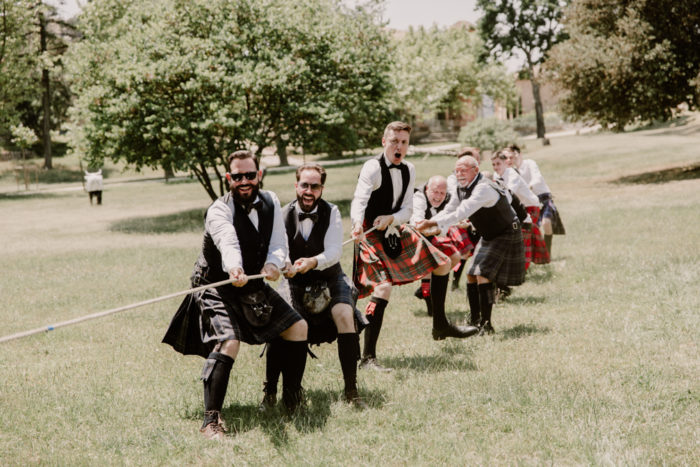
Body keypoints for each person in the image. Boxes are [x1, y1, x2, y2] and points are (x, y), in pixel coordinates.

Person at [162, 150, 308, 440]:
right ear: (228, 178)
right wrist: (235, 267)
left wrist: (273, 263)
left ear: (259, 175)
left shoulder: (271, 201)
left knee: (298, 327)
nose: (244, 181)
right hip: (215, 283)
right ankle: (211, 421)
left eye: (249, 175)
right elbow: (227, 240)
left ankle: (291, 401)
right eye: (237, 176)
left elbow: (279, 242)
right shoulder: (219, 210)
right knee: (229, 341)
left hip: (252, 282)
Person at [351, 121, 476, 372]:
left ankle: (440, 325)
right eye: (394, 141)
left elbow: (408, 208)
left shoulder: (409, 169)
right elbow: (359, 199)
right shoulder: (372, 167)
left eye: (404, 142)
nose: (399, 146)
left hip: (395, 228)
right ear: (384, 141)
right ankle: (367, 358)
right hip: (369, 233)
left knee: (442, 264)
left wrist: (392, 219)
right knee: (383, 288)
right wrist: (356, 224)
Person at [261, 163, 367, 409]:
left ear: (322, 188)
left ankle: (351, 390)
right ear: (296, 185)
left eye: (315, 186)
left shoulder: (332, 211)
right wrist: (285, 263)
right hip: (294, 280)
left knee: (344, 313)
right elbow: (278, 247)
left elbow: (334, 251)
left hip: (329, 276)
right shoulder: (282, 214)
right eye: (304, 185)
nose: (309, 191)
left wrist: (312, 262)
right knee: (280, 323)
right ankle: (270, 393)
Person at [417, 155, 525, 335]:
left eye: (463, 170)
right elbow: (449, 210)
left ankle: (486, 324)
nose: (459, 174)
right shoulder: (461, 188)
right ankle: (475, 321)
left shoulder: (483, 188)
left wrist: (433, 225)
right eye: (457, 170)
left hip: (506, 232)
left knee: (483, 274)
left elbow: (461, 212)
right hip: (489, 234)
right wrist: (429, 223)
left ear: (476, 170)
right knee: (471, 275)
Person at [410, 175, 475, 315]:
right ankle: (431, 309)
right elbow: (417, 222)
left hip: (434, 236)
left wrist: (461, 222)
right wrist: (437, 229)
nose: (438, 197)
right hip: (414, 237)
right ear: (427, 189)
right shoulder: (419, 197)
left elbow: (455, 215)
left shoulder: (449, 199)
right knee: (429, 265)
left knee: (455, 256)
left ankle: (427, 287)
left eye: (442, 193)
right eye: (435, 192)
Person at [491, 150, 549, 270]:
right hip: (517, 208)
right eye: (494, 164)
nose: (496, 167)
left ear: (506, 163)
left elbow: (508, 194)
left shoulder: (511, 174)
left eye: (498, 164)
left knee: (523, 237)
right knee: (518, 238)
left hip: (530, 206)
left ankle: (522, 271)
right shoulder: (496, 176)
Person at [509, 145, 565, 256]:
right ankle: (538, 254)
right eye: (510, 156)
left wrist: (528, 187)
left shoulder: (529, 163)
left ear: (520, 153)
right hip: (530, 203)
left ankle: (548, 251)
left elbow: (537, 178)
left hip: (543, 197)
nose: (513, 158)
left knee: (546, 223)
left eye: (514, 154)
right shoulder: (513, 172)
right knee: (532, 230)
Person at [447, 147, 481, 290]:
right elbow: (456, 204)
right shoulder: (452, 179)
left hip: (471, 219)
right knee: (464, 252)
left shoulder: (478, 180)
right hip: (456, 219)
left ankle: (475, 281)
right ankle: (454, 282)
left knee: (473, 252)